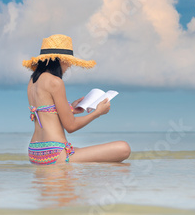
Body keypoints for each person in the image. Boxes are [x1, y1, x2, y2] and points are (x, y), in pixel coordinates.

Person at [22, 34, 131, 165]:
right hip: (55, 152)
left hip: (35, 152)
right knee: (124, 148)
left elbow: (46, 112)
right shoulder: (55, 82)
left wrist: (71, 109)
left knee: (102, 165)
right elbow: (71, 126)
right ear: (61, 60)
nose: (69, 66)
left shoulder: (32, 81)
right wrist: (97, 113)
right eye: (69, 61)